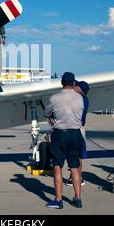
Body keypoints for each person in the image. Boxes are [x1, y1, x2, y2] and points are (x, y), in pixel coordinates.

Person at [44, 72, 84, 209]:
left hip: (60, 134)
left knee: (57, 167)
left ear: (61, 83)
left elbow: (47, 113)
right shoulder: (80, 98)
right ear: (73, 83)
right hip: (75, 133)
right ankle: (78, 198)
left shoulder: (55, 98)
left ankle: (59, 199)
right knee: (74, 167)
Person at [65, 81, 89, 187]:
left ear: (80, 89)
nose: (74, 87)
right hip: (79, 129)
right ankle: (77, 176)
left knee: (76, 155)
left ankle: (77, 178)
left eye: (76, 86)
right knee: (77, 155)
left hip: (76, 129)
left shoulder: (79, 100)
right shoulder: (84, 99)